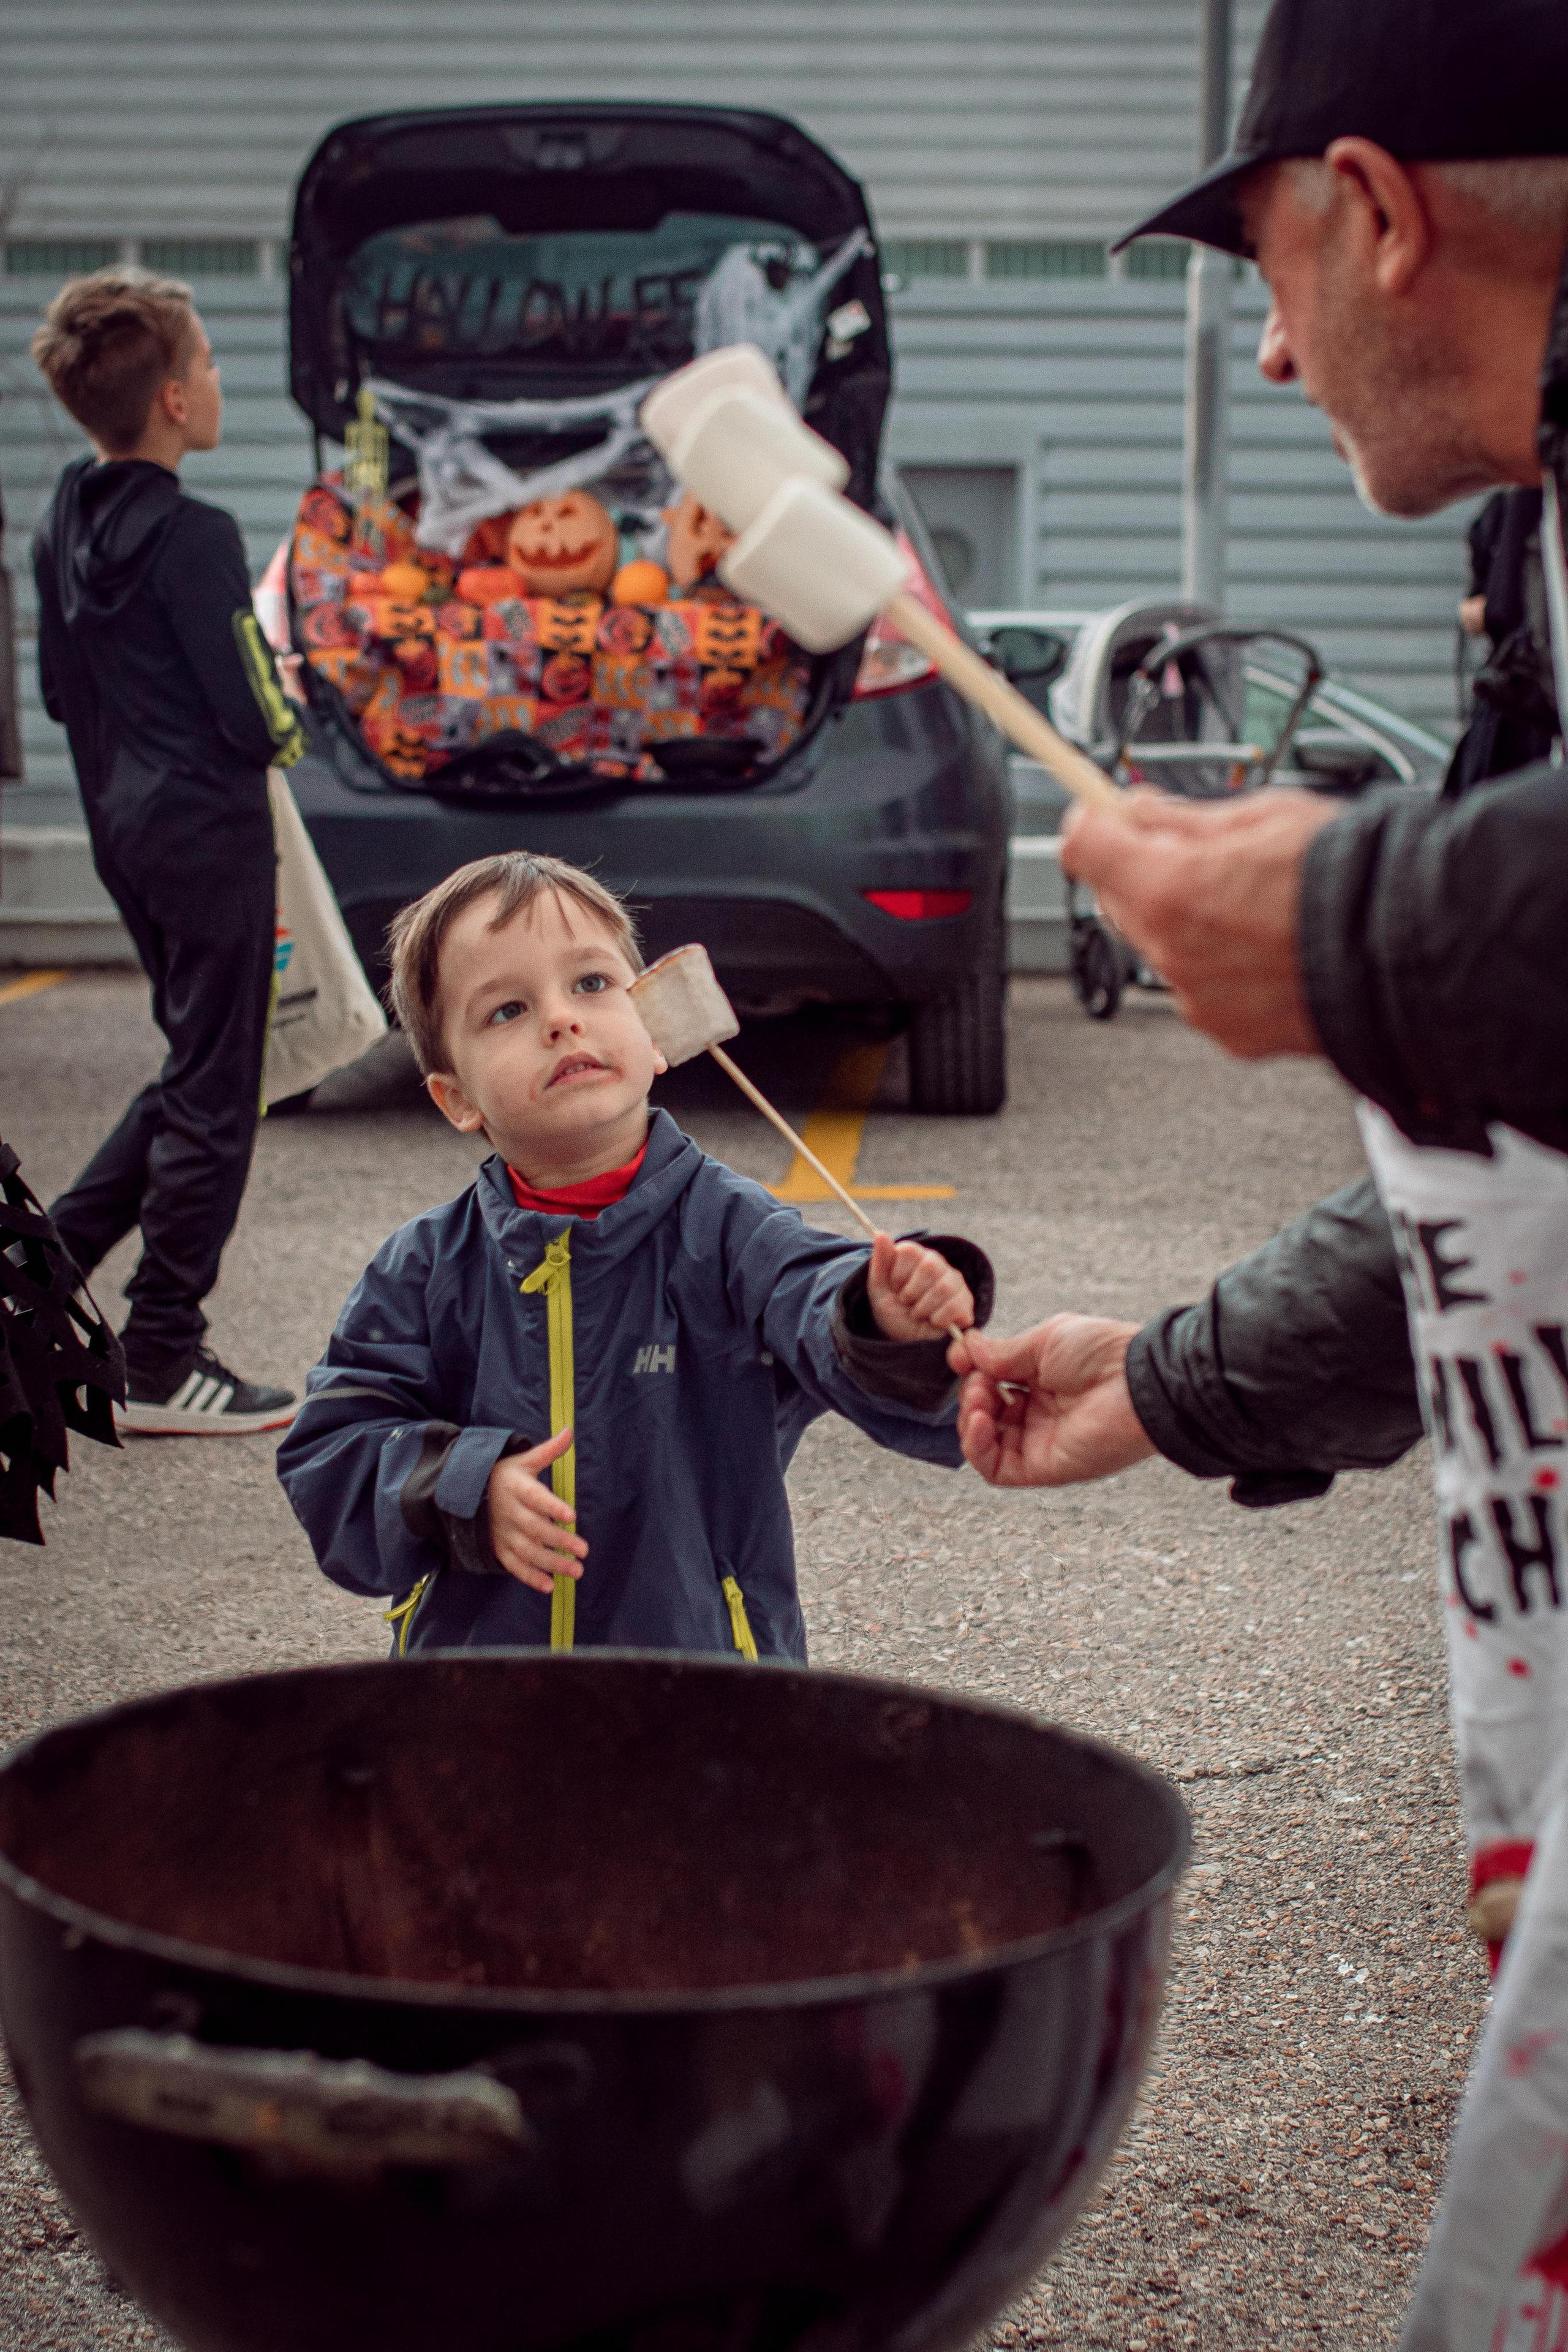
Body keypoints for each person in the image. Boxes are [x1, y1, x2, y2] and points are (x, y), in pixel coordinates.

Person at [949, 1, 1568, 2345]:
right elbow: (1517, 1120)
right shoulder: (1533, 545)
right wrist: (1174, 1383)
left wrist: (1340, 919)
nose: (1278, 361)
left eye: (1266, 271)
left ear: (1384, 214)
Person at [277, 851, 989, 1658]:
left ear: (654, 1034)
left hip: (701, 1694)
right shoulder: (423, 1269)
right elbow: (333, 1450)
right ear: (457, 1099)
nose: (561, 1019)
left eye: (590, 984)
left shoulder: (730, 1230)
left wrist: (880, 1312)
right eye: (507, 1009)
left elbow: (812, 1294)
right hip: (485, 1710)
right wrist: (461, 1485)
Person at [31, 268, 305, 1436]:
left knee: (192, 1067)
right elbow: (253, 713)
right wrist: (293, 706)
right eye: (211, 365)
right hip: (209, 832)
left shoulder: (63, 520)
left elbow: (55, 689)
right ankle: (162, 1352)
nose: (220, 381)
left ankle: (36, 1274)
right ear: (179, 402)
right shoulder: (198, 536)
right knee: (217, 1094)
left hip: (124, 832)